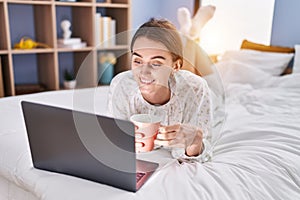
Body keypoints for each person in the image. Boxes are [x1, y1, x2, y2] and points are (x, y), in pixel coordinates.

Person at [107, 18, 212, 163]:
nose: (143, 72)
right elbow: (116, 141)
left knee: (209, 75)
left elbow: (200, 153)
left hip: (196, 87)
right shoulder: (121, 85)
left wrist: (195, 141)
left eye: (156, 63)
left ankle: (192, 31)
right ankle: (188, 30)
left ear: (175, 66)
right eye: (137, 61)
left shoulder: (195, 88)